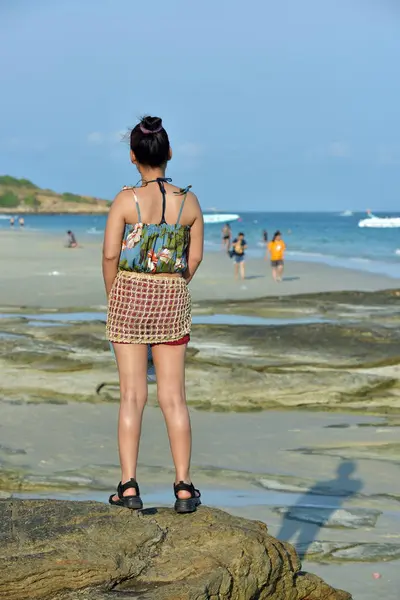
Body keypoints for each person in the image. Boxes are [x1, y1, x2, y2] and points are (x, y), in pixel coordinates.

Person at [103, 115, 204, 513]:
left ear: (133, 157)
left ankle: (128, 486)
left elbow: (111, 253)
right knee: (174, 398)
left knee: (132, 396)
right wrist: (174, 285)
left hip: (128, 298)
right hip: (172, 300)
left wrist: (116, 294)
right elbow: (193, 258)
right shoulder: (189, 201)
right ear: (170, 153)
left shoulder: (126, 199)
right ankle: (183, 485)